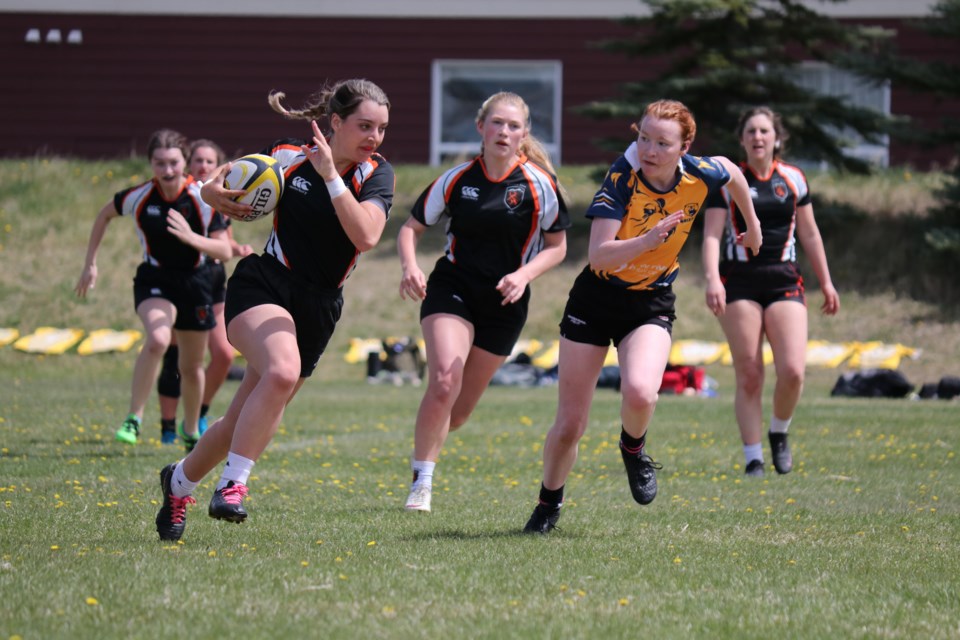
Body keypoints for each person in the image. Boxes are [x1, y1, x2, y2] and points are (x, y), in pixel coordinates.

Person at [154, 79, 393, 542]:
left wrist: (331, 176)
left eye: (382, 129)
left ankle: (178, 482)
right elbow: (220, 178)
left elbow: (366, 236)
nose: (374, 138)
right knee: (283, 372)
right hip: (264, 284)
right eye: (364, 126)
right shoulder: (287, 155)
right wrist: (211, 193)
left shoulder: (377, 175)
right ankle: (233, 486)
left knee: (236, 423)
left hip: (319, 306)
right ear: (336, 123)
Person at [522, 99, 763, 535]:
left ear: (685, 147)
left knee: (641, 393)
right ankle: (548, 504)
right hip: (595, 300)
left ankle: (633, 449)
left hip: (650, 301)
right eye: (644, 138)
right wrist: (648, 240)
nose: (650, 149)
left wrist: (753, 223)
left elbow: (734, 172)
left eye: (662, 143)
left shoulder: (700, 172)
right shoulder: (621, 178)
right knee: (570, 424)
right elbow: (598, 254)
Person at [397, 92, 570, 513]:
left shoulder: (539, 185)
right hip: (452, 288)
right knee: (443, 382)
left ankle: (431, 449)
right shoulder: (456, 179)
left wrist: (523, 275)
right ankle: (422, 482)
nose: (504, 132)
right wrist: (409, 266)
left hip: (505, 303)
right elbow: (410, 227)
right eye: (497, 123)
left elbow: (558, 247)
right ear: (481, 127)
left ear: (524, 134)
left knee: (456, 414)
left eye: (513, 126)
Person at [702, 106, 840, 477]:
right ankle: (753, 458)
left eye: (764, 131)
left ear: (776, 138)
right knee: (749, 372)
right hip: (740, 281)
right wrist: (712, 278)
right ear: (742, 139)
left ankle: (779, 432)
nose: (758, 137)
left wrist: (826, 281)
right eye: (751, 131)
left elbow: (809, 233)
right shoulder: (727, 180)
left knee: (793, 371)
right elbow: (712, 234)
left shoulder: (793, 178)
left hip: (784, 279)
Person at [75, 129, 232, 449]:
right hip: (155, 279)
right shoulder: (139, 196)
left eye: (173, 163)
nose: (167, 170)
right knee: (159, 339)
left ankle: (190, 430)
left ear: (183, 163)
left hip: (196, 281)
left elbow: (224, 251)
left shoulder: (202, 198)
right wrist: (90, 262)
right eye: (159, 163)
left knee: (190, 366)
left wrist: (190, 237)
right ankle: (134, 417)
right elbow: (105, 214)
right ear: (151, 164)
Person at [156, 139, 254, 445]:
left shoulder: (222, 201)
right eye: (197, 160)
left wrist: (239, 249)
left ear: (219, 166)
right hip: (185, 280)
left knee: (224, 353)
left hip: (213, 282)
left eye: (210, 162)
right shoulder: (187, 197)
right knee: (176, 356)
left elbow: (224, 242)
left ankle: (200, 411)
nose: (203, 166)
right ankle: (168, 424)